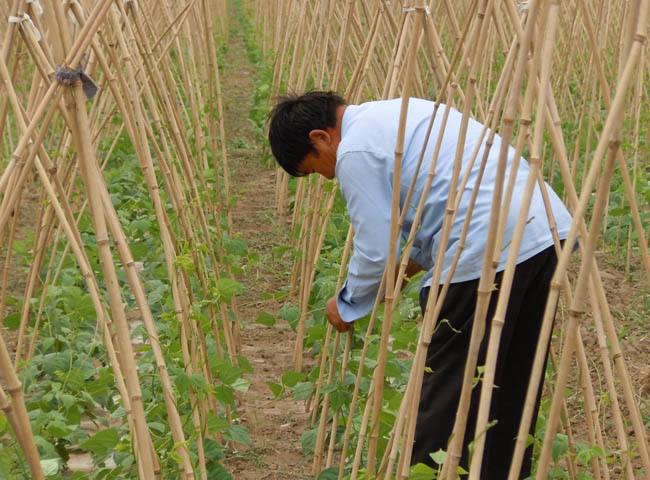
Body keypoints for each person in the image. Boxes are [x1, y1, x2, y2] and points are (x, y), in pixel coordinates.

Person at [267, 91, 572, 479]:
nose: (327, 177)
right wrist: (406, 270)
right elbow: (438, 210)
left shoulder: (354, 150)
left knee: (443, 399)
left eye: (315, 168)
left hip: (481, 247)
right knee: (511, 387)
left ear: (319, 138)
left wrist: (346, 304)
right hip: (542, 230)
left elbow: (378, 251)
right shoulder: (403, 114)